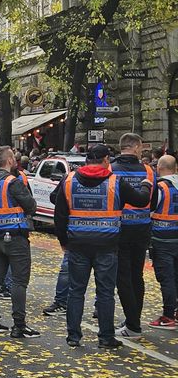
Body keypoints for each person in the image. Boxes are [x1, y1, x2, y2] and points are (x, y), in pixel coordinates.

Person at [53, 144, 153, 348]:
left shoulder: (69, 180)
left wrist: (64, 242)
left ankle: (73, 336)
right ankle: (106, 338)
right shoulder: (115, 182)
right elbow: (141, 201)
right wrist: (146, 184)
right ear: (106, 160)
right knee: (106, 292)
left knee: (76, 291)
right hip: (107, 244)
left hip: (78, 244)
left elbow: (59, 215)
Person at [0, 146, 39, 338]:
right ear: (8, 160)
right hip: (15, 235)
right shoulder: (12, 182)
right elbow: (31, 205)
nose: (15, 160)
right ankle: (19, 325)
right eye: (13, 157)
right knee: (19, 281)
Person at [110, 133, 154, 338]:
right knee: (137, 275)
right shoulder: (148, 171)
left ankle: (133, 324)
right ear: (136, 147)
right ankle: (133, 318)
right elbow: (153, 199)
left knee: (123, 277)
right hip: (142, 227)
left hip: (119, 228)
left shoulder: (111, 169)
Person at [148, 154, 178, 329]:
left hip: (162, 239)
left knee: (167, 279)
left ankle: (168, 316)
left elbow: (150, 211)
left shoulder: (160, 188)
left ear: (158, 168)